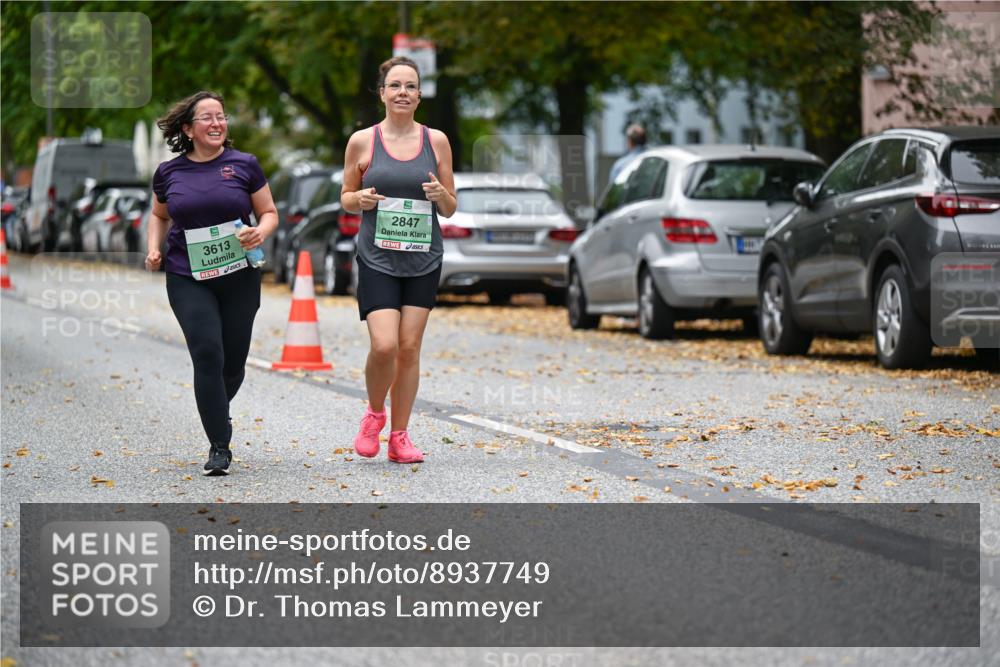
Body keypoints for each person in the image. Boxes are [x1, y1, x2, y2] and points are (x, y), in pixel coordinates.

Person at [145, 91, 278, 475]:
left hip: (239, 274)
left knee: (233, 362)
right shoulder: (169, 173)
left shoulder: (244, 165)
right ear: (187, 129)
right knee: (207, 353)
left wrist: (259, 232)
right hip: (189, 275)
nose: (217, 123)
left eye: (221, 116)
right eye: (207, 117)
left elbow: (268, 212)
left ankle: (216, 407)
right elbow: (159, 215)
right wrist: (154, 248)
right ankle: (219, 444)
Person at [341, 56, 457, 464]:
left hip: (423, 258)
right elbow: (346, 196)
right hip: (378, 257)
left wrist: (439, 195)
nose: (403, 92)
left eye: (410, 86)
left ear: (420, 95)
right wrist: (360, 199)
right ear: (383, 93)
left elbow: (451, 207)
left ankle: (400, 437)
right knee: (385, 344)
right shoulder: (362, 141)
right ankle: (374, 414)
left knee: (409, 348)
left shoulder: (436, 140)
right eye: (395, 85)